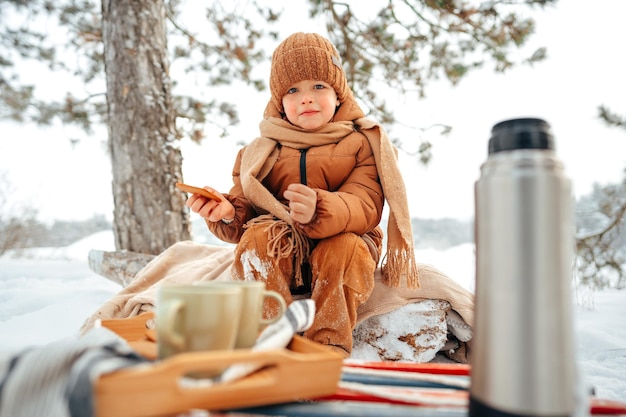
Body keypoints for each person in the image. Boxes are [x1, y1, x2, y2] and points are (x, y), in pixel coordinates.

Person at [186, 32, 418, 358]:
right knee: (259, 237)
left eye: (318, 86)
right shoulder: (256, 154)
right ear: (280, 102)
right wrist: (228, 212)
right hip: (284, 250)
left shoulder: (362, 143)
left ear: (338, 94)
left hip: (341, 244)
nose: (306, 98)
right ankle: (268, 336)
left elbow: (365, 202)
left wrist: (320, 208)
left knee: (346, 247)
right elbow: (247, 215)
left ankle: (326, 346)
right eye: (293, 90)